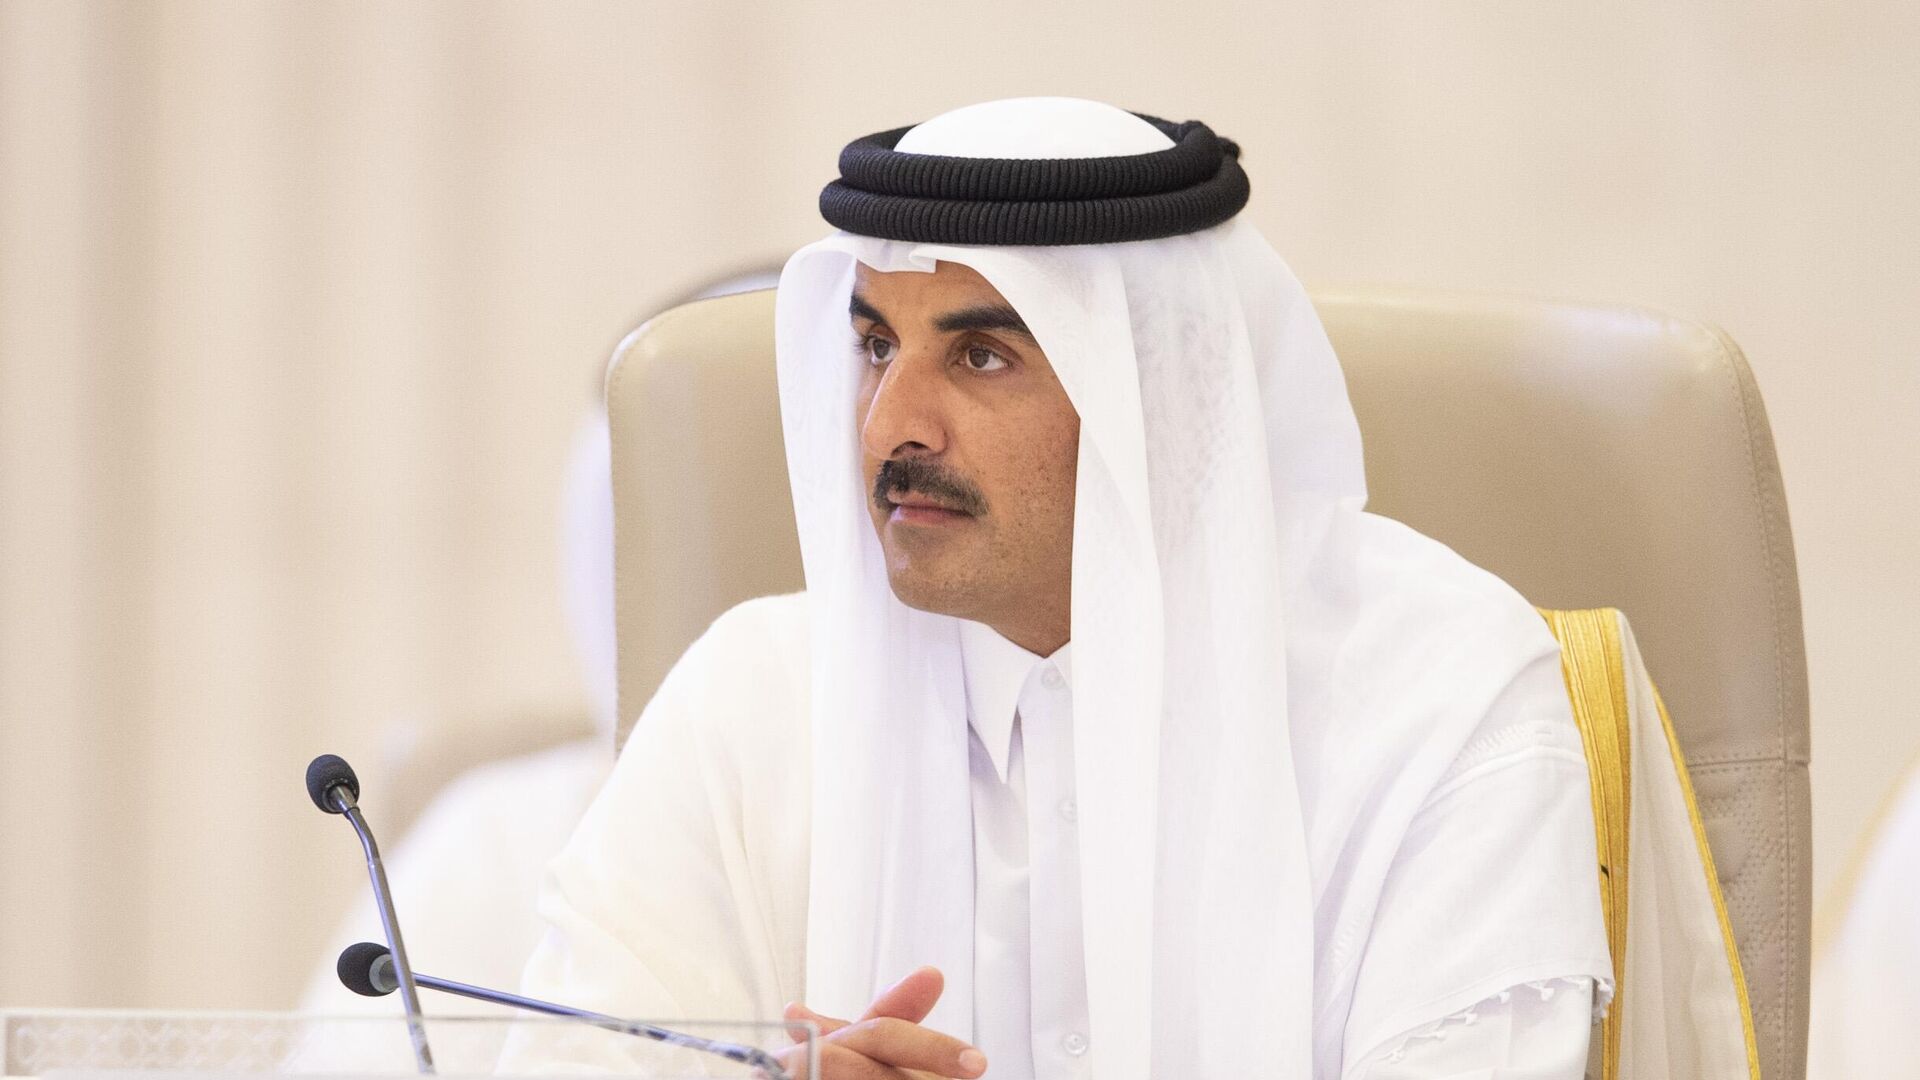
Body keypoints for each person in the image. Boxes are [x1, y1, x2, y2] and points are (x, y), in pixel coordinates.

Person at [508, 97, 1623, 1079]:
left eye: (981, 357)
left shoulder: (1442, 707)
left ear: (1161, 395)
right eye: (875, 346)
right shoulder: (747, 703)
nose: (891, 426)